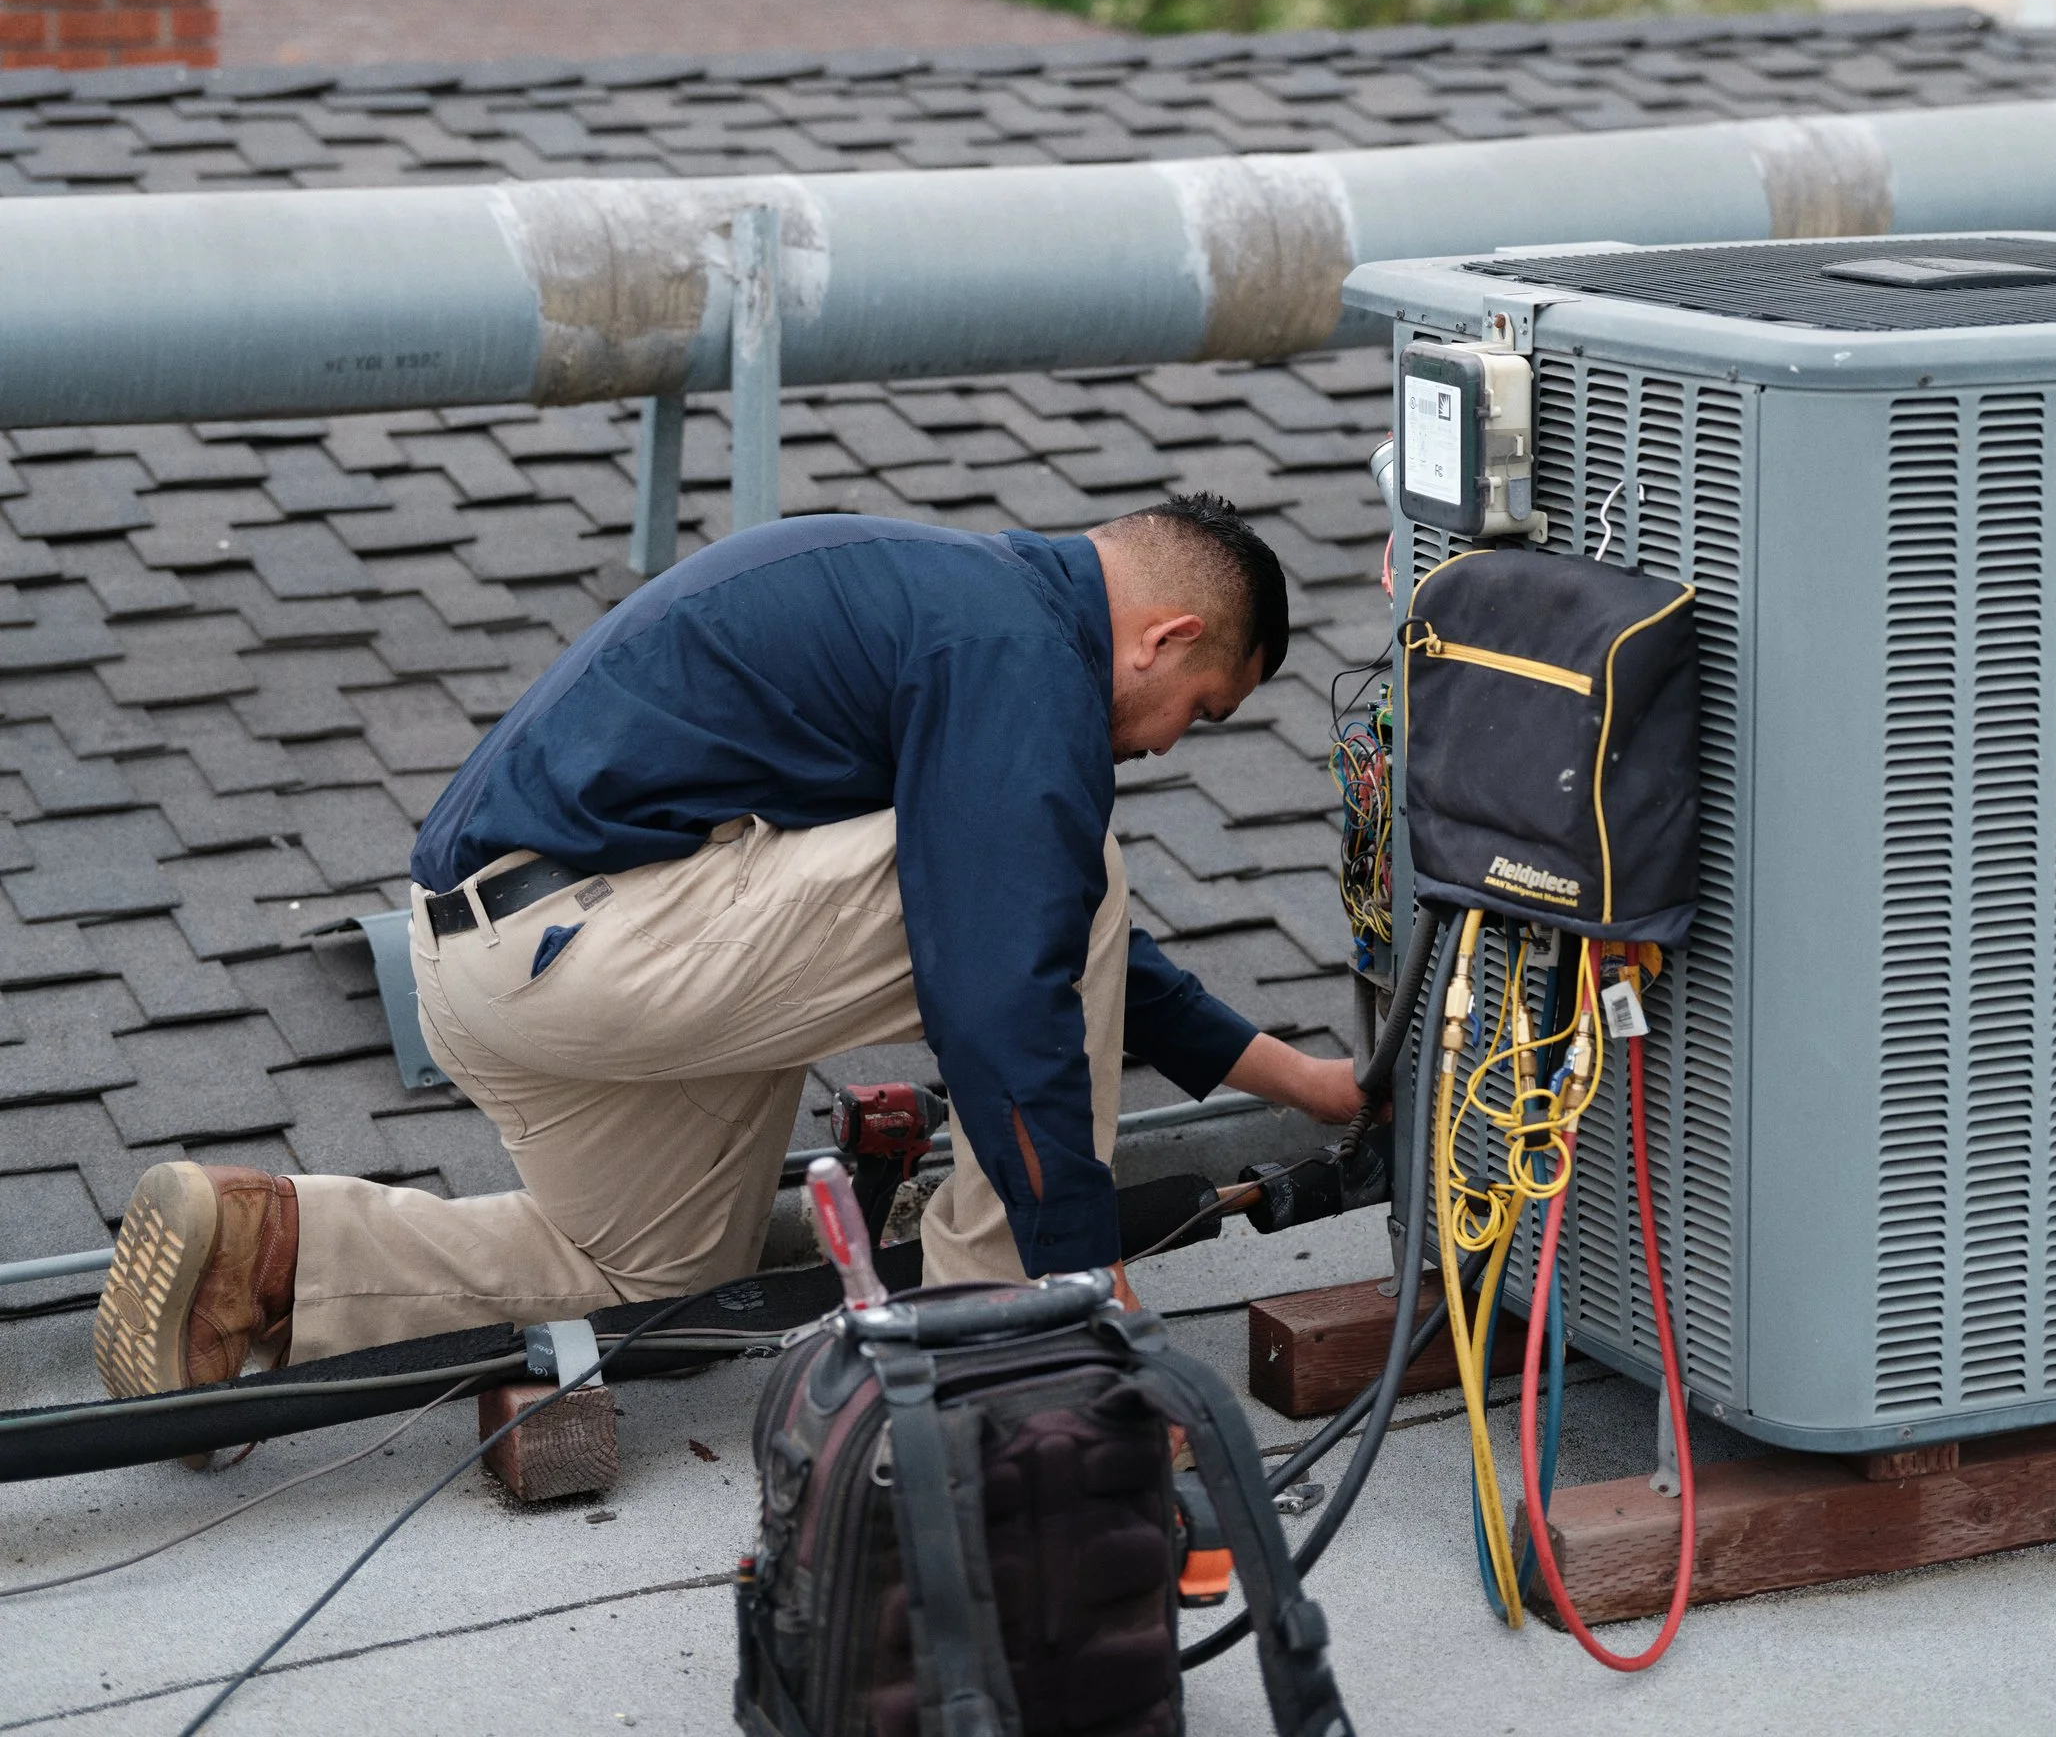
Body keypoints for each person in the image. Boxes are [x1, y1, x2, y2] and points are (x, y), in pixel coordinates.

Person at [93, 496, 1365, 1398]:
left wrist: (1303, 1086)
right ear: (1167, 636)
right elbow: (1009, 960)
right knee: (1063, 874)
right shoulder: (1015, 649)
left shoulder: (950, 608)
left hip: (499, 958)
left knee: (650, 1273)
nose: (1160, 747)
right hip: (598, 940)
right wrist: (1079, 1265)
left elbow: (1026, 925)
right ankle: (1015, 1337)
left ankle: (272, 1253)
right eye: (1194, 714)